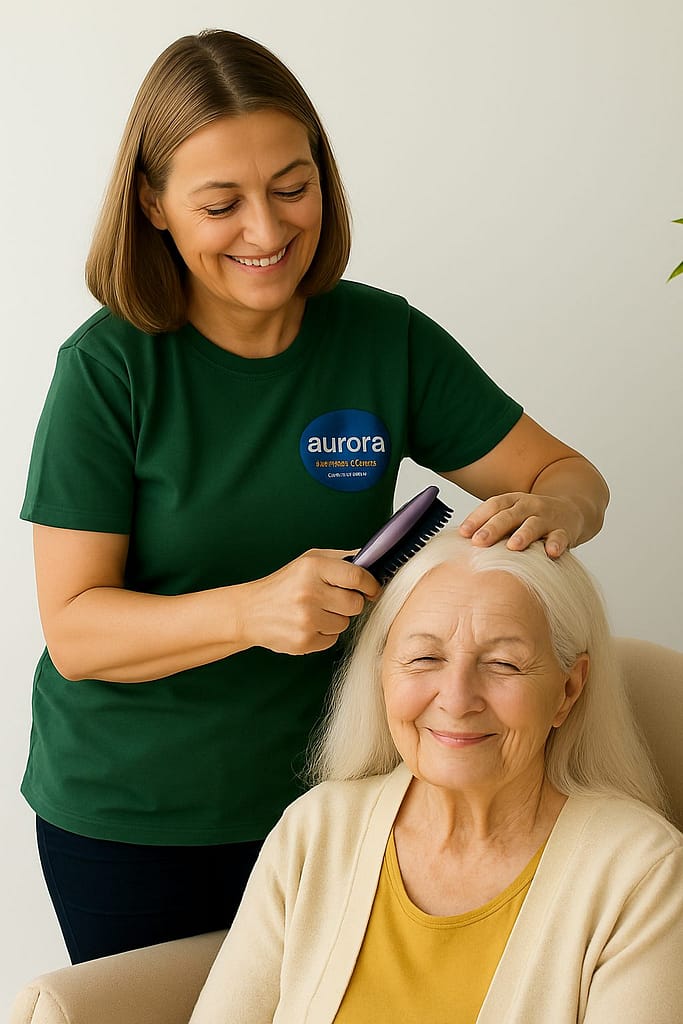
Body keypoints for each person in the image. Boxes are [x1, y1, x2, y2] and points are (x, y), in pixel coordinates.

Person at [20, 29, 610, 964]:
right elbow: (78, 632)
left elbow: (568, 477)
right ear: (153, 205)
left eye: (292, 188)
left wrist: (558, 511)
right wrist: (252, 611)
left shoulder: (383, 339)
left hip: (341, 804)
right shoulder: (108, 369)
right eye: (222, 204)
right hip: (134, 821)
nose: (266, 232)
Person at [188, 531, 683, 1024]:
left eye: (503, 664)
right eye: (425, 658)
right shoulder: (317, 829)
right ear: (382, 673)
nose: (457, 699)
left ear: (567, 690)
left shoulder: (640, 871)